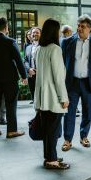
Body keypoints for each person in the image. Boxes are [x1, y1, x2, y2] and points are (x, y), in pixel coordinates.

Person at [61, 14, 91, 151]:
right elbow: (62, 62)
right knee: (69, 113)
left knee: (87, 112)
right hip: (71, 83)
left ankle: (84, 136)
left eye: (83, 26)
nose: (79, 28)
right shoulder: (67, 42)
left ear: (90, 29)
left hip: (88, 83)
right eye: (78, 26)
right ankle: (67, 140)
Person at [34, 18, 70, 170]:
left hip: (42, 97)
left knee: (47, 129)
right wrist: (64, 98)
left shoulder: (40, 49)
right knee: (52, 130)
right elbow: (59, 77)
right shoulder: (55, 49)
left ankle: (49, 156)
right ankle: (52, 160)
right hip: (53, 97)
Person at [24, 27, 41, 104]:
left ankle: (43, 115)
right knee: (34, 97)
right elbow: (25, 60)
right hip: (32, 75)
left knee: (42, 96)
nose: (35, 34)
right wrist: (29, 69)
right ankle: (37, 114)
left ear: (41, 34)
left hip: (42, 75)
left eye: (37, 32)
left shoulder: (45, 46)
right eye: (33, 33)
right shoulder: (28, 47)